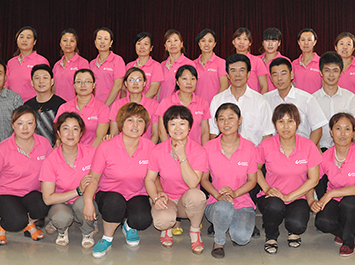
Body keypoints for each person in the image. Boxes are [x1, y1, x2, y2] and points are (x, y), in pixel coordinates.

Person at [82, 103, 156, 258]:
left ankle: (128, 226)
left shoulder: (150, 147)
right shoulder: (106, 147)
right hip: (110, 194)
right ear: (122, 123)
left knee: (142, 220)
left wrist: (159, 194)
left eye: (140, 121)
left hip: (137, 193)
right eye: (130, 120)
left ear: (145, 126)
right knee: (114, 204)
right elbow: (93, 178)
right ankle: (107, 238)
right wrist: (88, 201)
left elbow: (154, 177)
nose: (135, 125)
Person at [0, 106, 52, 245]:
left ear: (35, 124)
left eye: (29, 123)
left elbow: (52, 170)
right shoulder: (2, 148)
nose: (25, 128)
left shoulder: (44, 143)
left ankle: (29, 223)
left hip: (31, 193)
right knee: (16, 221)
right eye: (20, 123)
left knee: (44, 204)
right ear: (13, 125)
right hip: (6, 194)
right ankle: (1, 225)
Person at [256, 104, 321, 255]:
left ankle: (293, 231)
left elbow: (314, 179)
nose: (286, 126)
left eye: (290, 121)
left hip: (298, 196)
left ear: (297, 123)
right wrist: (267, 189)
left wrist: (289, 197)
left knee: (297, 225)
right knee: (274, 207)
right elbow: (255, 169)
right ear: (275, 124)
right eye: (281, 121)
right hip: (272, 196)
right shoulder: (266, 145)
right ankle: (271, 236)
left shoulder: (308, 146)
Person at [311, 113, 355, 257]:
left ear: (353, 133)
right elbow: (312, 180)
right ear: (331, 132)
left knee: (349, 203)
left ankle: (348, 242)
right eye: (338, 128)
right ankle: (345, 230)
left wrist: (330, 193)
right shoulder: (326, 156)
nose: (342, 133)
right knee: (322, 222)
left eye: (347, 129)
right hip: (336, 201)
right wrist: (311, 201)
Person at [145, 105, 208, 254]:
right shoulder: (158, 150)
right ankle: (167, 228)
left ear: (190, 127)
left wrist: (182, 156)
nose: (177, 128)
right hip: (166, 199)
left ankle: (194, 231)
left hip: (187, 202)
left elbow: (193, 183)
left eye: (182, 123)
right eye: (172, 123)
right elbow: (149, 179)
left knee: (197, 195)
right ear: (167, 127)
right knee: (162, 222)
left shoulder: (199, 151)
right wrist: (155, 198)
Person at [201, 103, 257, 259]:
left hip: (242, 201)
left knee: (242, 238)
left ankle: (225, 223)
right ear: (216, 122)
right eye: (221, 119)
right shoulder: (209, 147)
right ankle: (219, 242)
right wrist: (219, 196)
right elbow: (204, 179)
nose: (226, 122)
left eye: (231, 118)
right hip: (216, 202)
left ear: (240, 120)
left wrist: (234, 193)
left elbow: (252, 180)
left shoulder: (250, 147)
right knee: (224, 207)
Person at [39, 112, 97, 247]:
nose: (70, 133)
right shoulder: (50, 160)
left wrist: (85, 197)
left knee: (83, 203)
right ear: (58, 133)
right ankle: (62, 229)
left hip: (83, 200)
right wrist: (78, 190)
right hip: (61, 202)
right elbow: (47, 199)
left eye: (75, 129)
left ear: (81, 133)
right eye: (66, 128)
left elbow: (95, 180)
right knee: (61, 217)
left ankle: (87, 231)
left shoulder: (92, 153)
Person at [209, 54, 274, 147]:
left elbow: (267, 134)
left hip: (254, 153)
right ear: (227, 75)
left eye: (241, 70)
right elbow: (213, 133)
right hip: (225, 153)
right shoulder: (217, 100)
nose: (237, 75)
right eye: (233, 70)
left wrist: (257, 155)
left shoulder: (260, 101)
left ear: (248, 74)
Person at [263, 57, 328, 146]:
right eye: (275, 75)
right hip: (275, 149)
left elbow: (317, 129)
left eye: (283, 74)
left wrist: (307, 150)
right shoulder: (266, 99)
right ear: (270, 78)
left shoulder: (306, 99)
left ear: (292, 75)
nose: (279, 78)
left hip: (301, 148)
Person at [312, 51, 355, 152]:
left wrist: (354, 153)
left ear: (340, 73)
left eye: (335, 70)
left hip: (346, 150)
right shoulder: (313, 99)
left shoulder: (350, 98)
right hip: (321, 150)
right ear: (321, 72)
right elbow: (313, 131)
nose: (331, 74)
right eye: (327, 70)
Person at [55, 69, 110, 147]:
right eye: (79, 82)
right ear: (74, 85)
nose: (83, 85)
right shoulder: (64, 108)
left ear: (94, 85)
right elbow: (59, 137)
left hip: (93, 151)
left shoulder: (102, 108)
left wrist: (87, 153)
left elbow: (100, 137)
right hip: (69, 151)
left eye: (87, 81)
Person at [157, 65, 211, 145]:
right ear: (177, 82)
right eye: (184, 79)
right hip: (173, 149)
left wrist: (203, 149)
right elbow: (162, 131)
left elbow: (205, 131)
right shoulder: (166, 102)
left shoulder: (202, 102)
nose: (189, 82)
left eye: (192, 79)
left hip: (196, 149)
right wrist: (170, 149)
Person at [108, 67, 159, 142]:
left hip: (146, 146)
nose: (135, 83)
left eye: (139, 80)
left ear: (144, 83)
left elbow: (155, 134)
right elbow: (114, 133)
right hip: (122, 146)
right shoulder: (117, 105)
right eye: (131, 80)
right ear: (126, 83)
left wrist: (148, 148)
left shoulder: (154, 105)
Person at [25, 64, 66, 146]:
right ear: (32, 83)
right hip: (32, 149)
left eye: (45, 78)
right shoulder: (27, 106)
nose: (41, 81)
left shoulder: (62, 105)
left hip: (55, 150)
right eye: (37, 78)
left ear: (52, 82)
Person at [6, 26, 50, 102]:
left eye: (28, 37)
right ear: (17, 41)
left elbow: (46, 87)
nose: (24, 40)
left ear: (34, 42)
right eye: (21, 37)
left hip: (33, 105)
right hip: (12, 105)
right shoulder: (11, 62)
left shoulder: (41, 61)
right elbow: (6, 86)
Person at [90, 27, 125, 106]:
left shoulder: (117, 60)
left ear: (111, 42)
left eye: (106, 39)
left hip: (111, 106)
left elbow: (118, 85)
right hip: (95, 106)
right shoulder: (92, 63)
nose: (102, 41)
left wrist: (105, 106)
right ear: (95, 42)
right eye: (99, 38)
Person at [53, 28, 89, 102]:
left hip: (76, 105)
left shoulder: (83, 63)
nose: (68, 44)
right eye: (65, 40)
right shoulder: (57, 65)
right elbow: (53, 88)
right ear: (60, 43)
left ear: (76, 44)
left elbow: (86, 87)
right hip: (59, 105)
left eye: (72, 41)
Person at [193, 29, 229, 104]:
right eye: (203, 41)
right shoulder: (193, 64)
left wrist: (214, 103)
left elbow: (224, 86)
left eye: (210, 41)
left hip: (216, 105)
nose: (206, 44)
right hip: (197, 105)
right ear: (199, 43)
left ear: (214, 44)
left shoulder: (221, 62)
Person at [125, 32, 163, 100]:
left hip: (148, 104)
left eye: (145, 44)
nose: (142, 47)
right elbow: (124, 90)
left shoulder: (156, 66)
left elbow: (153, 91)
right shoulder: (129, 66)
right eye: (139, 44)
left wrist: (139, 103)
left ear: (151, 48)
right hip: (130, 104)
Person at [160, 29, 194, 102]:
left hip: (180, 105)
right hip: (163, 104)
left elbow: (191, 88)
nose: (172, 44)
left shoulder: (189, 64)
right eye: (169, 41)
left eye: (175, 40)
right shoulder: (162, 65)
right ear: (165, 46)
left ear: (181, 44)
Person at [232, 27, 268, 93]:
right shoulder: (229, 62)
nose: (241, 42)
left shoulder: (257, 61)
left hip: (253, 98)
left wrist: (259, 99)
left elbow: (264, 87)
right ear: (233, 42)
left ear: (250, 43)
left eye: (245, 39)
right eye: (238, 39)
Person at [334, 32, 355, 97]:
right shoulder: (330, 67)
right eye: (341, 44)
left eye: (348, 44)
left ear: (353, 48)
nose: (345, 47)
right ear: (336, 47)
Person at [259, 27, 290, 93]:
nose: (270, 44)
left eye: (273, 41)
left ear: (279, 43)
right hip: (258, 97)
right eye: (267, 41)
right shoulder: (256, 60)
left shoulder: (284, 61)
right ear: (263, 43)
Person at [291, 28, 322, 94]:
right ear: (299, 42)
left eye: (309, 40)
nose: (306, 43)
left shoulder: (321, 62)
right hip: (299, 99)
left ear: (314, 42)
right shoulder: (294, 64)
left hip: (316, 99)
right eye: (303, 40)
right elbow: (293, 85)